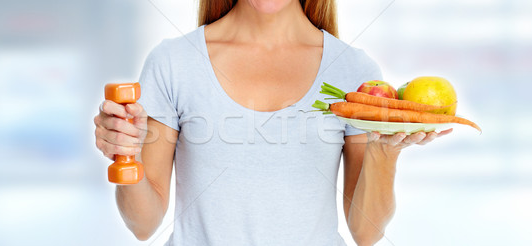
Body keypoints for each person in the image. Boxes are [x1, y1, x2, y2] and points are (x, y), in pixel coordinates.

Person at [93, 0, 451, 245]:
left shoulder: (353, 72)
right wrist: (128, 154)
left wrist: (384, 152)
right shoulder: (174, 62)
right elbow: (143, 224)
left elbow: (366, 233)